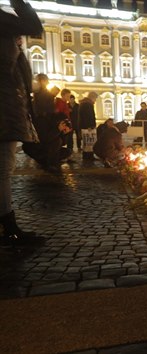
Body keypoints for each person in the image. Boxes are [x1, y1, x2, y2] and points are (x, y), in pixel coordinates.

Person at [0, 0, 44, 245]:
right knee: (3, 169)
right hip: (4, 106)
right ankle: (9, 228)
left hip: (7, 104)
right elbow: (32, 24)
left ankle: (8, 225)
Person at [78, 91, 98, 160]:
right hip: (87, 127)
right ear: (92, 97)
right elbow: (88, 116)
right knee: (89, 142)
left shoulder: (84, 103)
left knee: (87, 142)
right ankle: (88, 156)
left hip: (84, 126)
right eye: (95, 98)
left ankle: (87, 156)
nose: (95, 100)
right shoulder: (87, 104)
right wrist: (90, 125)